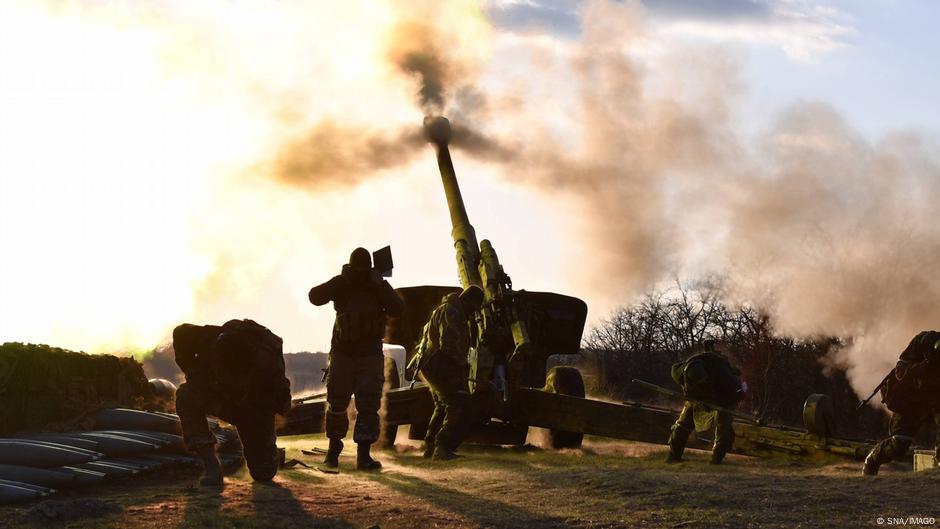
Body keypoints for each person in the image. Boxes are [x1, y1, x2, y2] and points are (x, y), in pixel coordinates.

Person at [309, 247, 403, 470]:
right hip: (345, 353)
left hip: (368, 355)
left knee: (368, 405)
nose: (361, 272)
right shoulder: (342, 283)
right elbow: (314, 296)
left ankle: (363, 455)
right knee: (337, 404)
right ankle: (333, 452)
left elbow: (397, 308)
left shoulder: (376, 285)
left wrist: (380, 283)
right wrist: (340, 281)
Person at [173, 319, 292, 487]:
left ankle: (269, 454)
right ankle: (212, 466)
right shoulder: (210, 339)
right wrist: (193, 373)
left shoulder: (268, 367)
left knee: (263, 473)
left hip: (252, 407)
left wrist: (260, 427)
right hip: (222, 395)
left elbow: (281, 403)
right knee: (187, 395)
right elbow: (180, 332)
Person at [413, 286, 484, 461]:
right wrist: (461, 365)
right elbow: (449, 344)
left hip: (430, 363)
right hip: (440, 364)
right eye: (474, 307)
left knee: (442, 405)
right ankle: (442, 446)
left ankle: (431, 447)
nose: (473, 312)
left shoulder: (446, 309)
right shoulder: (453, 313)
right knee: (460, 403)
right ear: (468, 301)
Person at [863, 330, 940, 475]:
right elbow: (900, 370)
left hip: (936, 399)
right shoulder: (924, 341)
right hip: (912, 400)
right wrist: (923, 368)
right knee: (899, 444)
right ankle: (871, 462)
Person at [666, 340, 745, 465]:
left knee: (723, 427)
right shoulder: (681, 370)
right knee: (683, 424)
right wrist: (694, 396)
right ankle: (673, 455)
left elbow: (736, 392)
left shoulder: (723, 375)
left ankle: (716, 459)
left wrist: (715, 402)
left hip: (723, 397)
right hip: (695, 397)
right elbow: (685, 384)